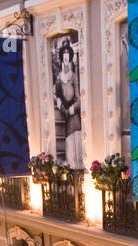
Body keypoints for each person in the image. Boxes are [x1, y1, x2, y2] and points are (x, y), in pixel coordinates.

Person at [53, 40, 84, 169]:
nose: (66, 60)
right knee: (69, 147)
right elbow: (55, 94)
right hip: (65, 116)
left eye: (68, 58)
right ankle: (71, 169)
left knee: (76, 144)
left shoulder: (74, 77)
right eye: (64, 58)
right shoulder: (59, 78)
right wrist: (59, 103)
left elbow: (79, 98)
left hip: (74, 116)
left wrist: (73, 108)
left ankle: (78, 168)